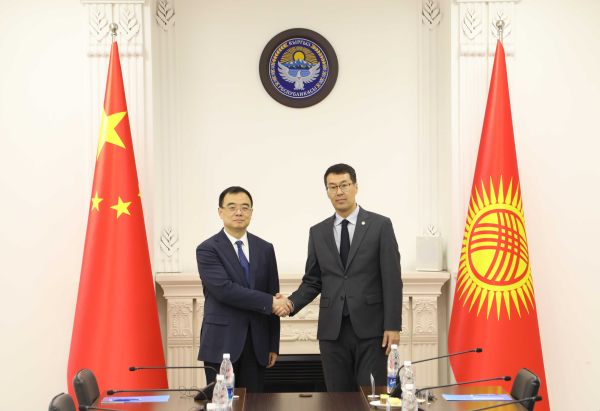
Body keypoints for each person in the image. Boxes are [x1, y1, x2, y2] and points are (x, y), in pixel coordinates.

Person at [275, 164, 403, 392]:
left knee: (372, 395)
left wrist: (393, 325)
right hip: (332, 330)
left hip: (372, 329)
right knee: (337, 397)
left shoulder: (380, 225)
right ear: (327, 192)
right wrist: (291, 303)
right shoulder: (318, 232)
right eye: (332, 187)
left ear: (355, 186)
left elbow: (392, 280)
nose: (339, 192)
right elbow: (313, 280)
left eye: (344, 185)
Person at [196, 186, 289, 393]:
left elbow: (272, 292)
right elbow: (224, 290)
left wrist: (272, 344)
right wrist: (272, 302)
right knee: (222, 403)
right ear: (220, 212)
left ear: (251, 213)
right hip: (221, 342)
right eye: (232, 207)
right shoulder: (208, 248)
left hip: (257, 344)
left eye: (245, 207)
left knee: (254, 404)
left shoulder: (265, 248)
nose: (239, 212)